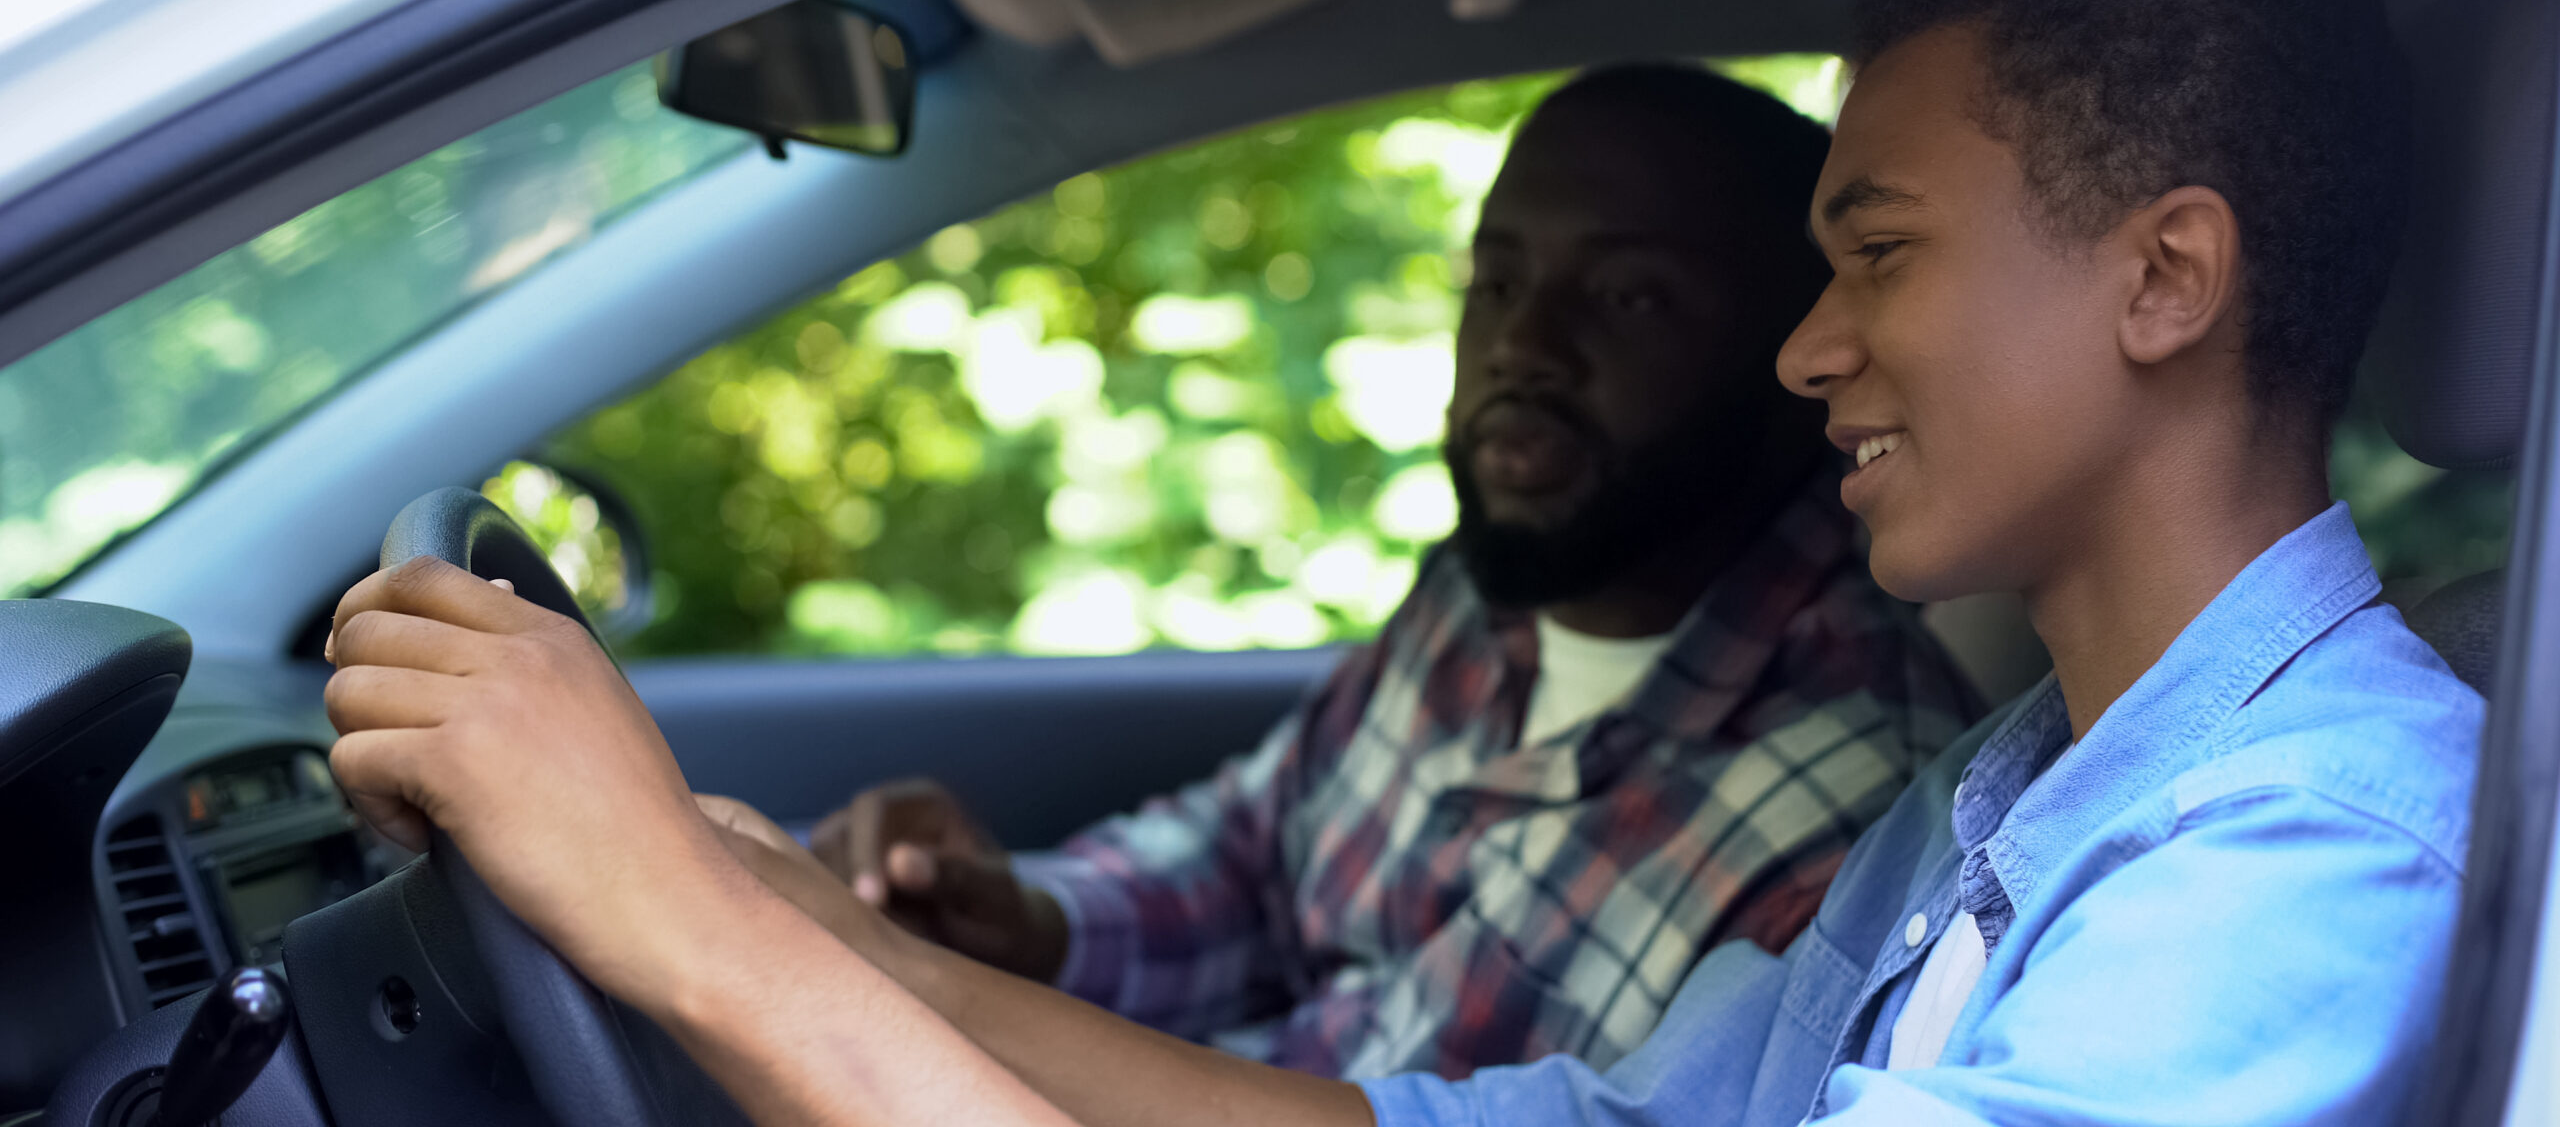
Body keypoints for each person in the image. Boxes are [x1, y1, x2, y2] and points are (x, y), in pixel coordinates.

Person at [320, 0, 2483, 1127]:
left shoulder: (2307, 851)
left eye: (1873, 253)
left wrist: (680, 936)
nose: (1807, 346)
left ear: (2164, 277)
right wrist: (797, 923)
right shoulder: (2016, 798)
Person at [796, 64, 1979, 1082]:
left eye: (1627, 296)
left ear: (1805, 359)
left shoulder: (1855, 808)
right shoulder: (1493, 588)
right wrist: (1030, 927)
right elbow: (1257, 852)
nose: (1522, 346)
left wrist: (929, 1027)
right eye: (1497, 282)